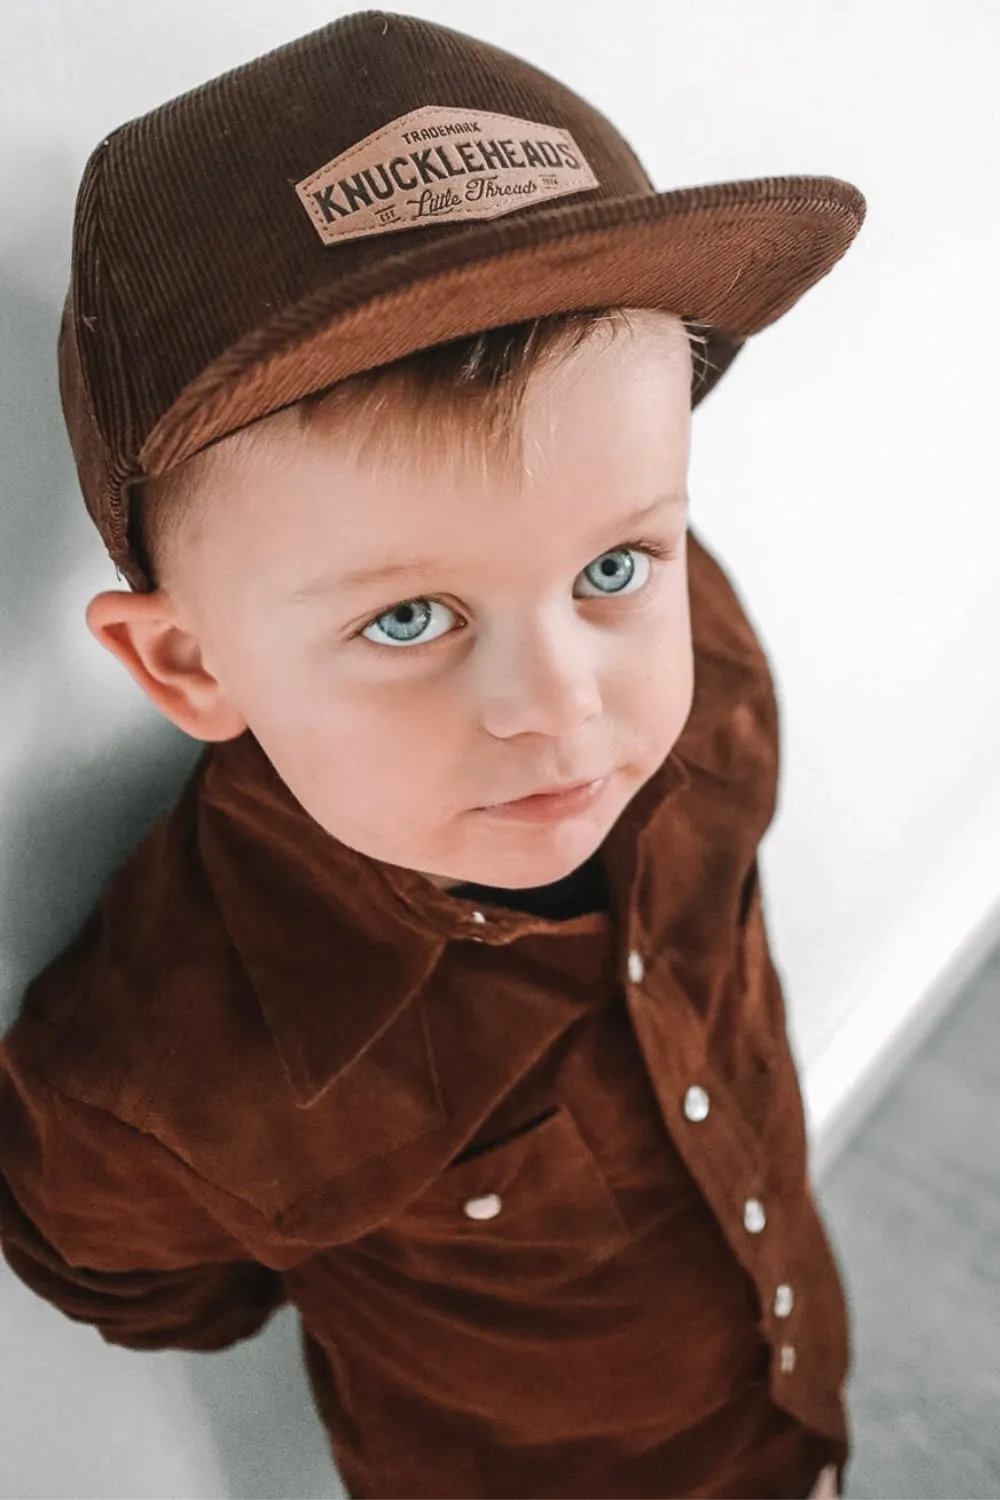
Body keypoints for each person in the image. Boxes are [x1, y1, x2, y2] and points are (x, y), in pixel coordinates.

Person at [0, 11, 865, 1498]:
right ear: (189, 663)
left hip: (783, 1392)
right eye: (409, 616)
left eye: (611, 570)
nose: (563, 706)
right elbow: (135, 1275)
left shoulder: (701, 663)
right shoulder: (169, 1078)